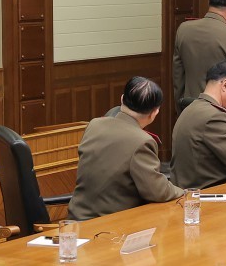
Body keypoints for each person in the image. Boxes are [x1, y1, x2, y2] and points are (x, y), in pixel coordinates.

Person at [68, 77, 183, 220]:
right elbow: (157, 191)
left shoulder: (94, 124)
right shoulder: (142, 141)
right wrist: (183, 192)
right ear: (155, 112)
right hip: (109, 224)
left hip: (75, 219)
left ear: (122, 99)